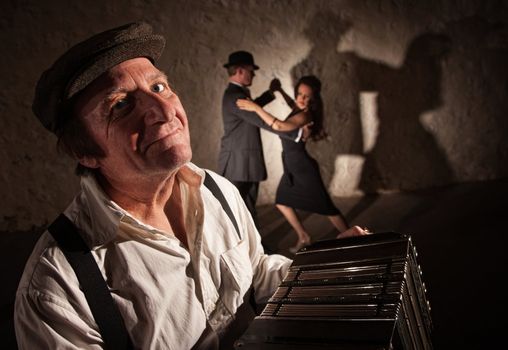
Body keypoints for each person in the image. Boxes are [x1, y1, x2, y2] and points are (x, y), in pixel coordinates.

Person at [15, 23, 367, 349]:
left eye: (159, 87)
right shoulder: (56, 288)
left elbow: (257, 271)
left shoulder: (216, 190)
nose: (163, 110)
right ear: (84, 151)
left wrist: (324, 273)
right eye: (121, 105)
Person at [237, 76, 356, 253]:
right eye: (299, 94)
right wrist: (279, 91)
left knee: (327, 208)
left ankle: (354, 239)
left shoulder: (304, 115)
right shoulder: (298, 107)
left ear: (313, 99)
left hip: (303, 168)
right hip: (291, 166)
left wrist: (256, 107)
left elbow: (279, 126)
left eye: (306, 96)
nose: (301, 98)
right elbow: (292, 102)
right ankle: (304, 236)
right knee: (282, 202)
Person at [218, 51, 307, 228]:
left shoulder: (238, 94)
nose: (254, 74)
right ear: (240, 71)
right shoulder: (235, 97)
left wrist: (270, 93)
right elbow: (260, 120)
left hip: (245, 161)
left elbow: (253, 109)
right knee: (231, 210)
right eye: (251, 70)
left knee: (248, 208)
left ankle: (256, 246)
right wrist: (294, 133)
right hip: (237, 163)